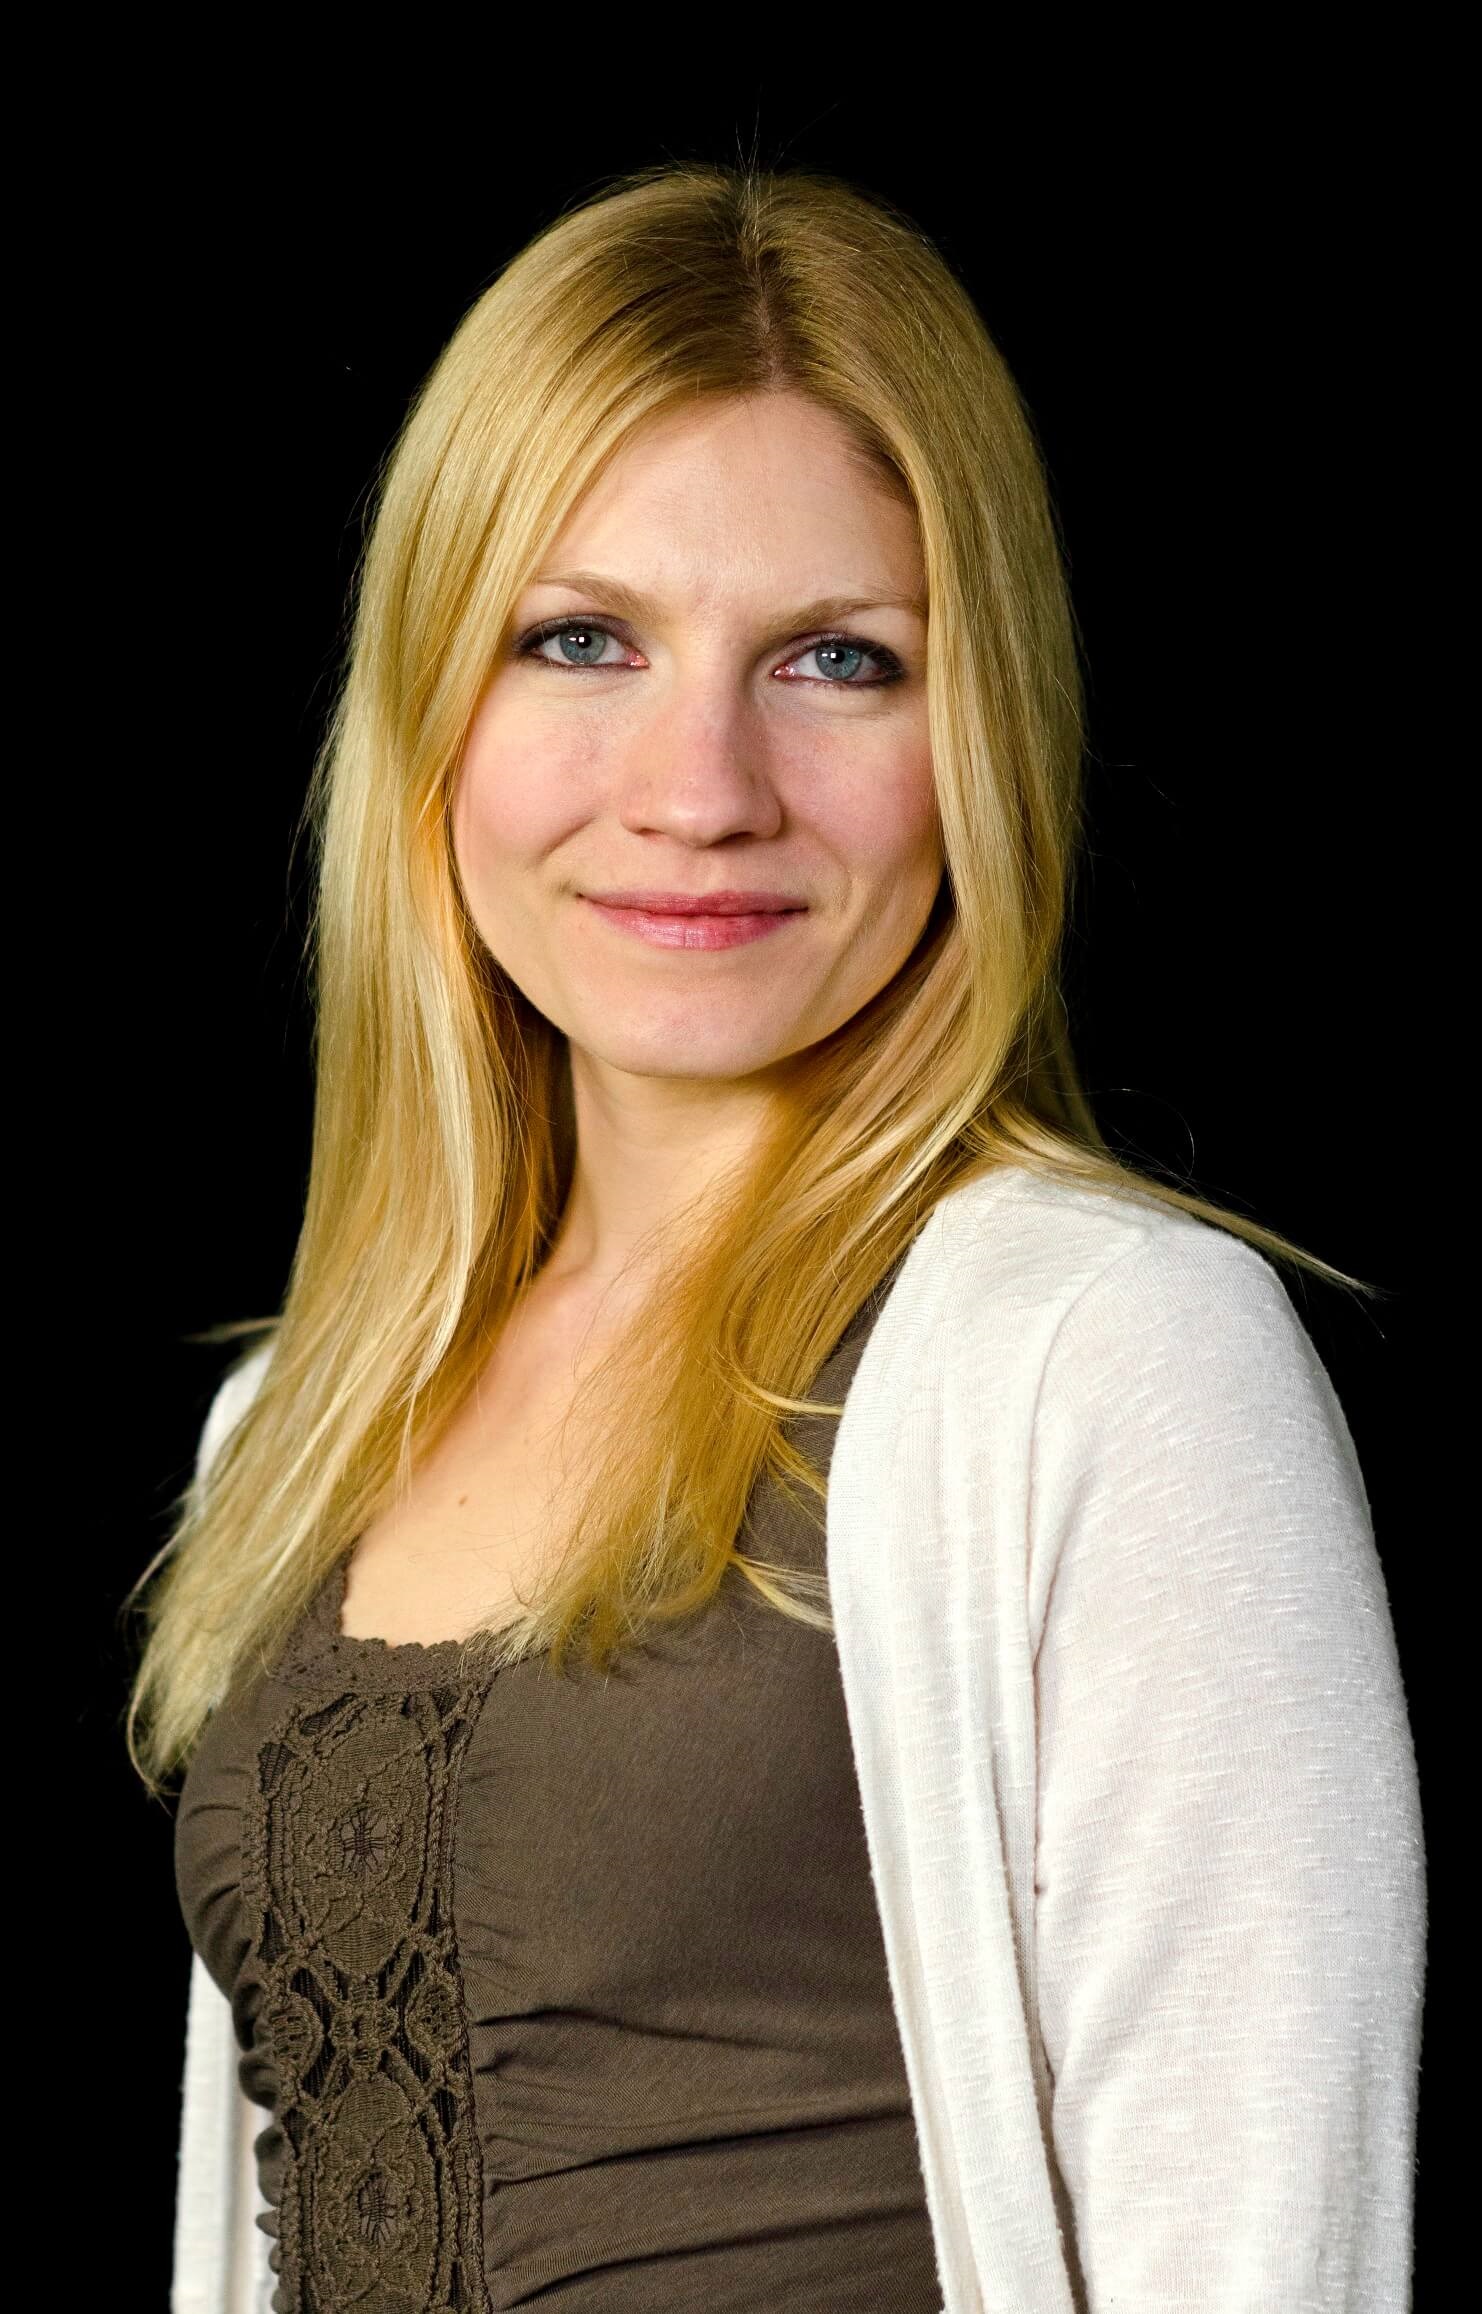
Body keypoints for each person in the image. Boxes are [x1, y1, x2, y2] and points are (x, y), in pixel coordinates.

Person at [129, 160, 1425, 2314]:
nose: (698, 784)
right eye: (580, 639)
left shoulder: (1108, 1356)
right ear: (431, 705)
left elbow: (1258, 2246)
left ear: (979, 728)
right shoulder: (298, 1422)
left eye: (838, 659)